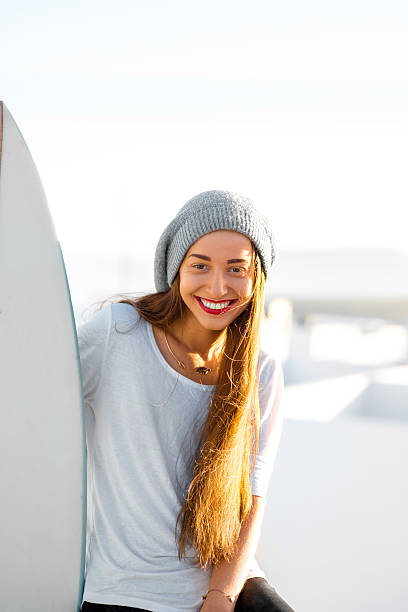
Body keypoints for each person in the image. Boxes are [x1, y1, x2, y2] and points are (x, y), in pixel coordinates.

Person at [78, 190, 295, 612]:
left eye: (237, 269)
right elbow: (37, 392)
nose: (218, 286)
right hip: (127, 591)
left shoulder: (261, 371)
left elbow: (251, 499)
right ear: (175, 268)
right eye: (201, 265)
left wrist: (219, 598)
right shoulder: (118, 334)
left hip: (229, 584)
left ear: (257, 280)